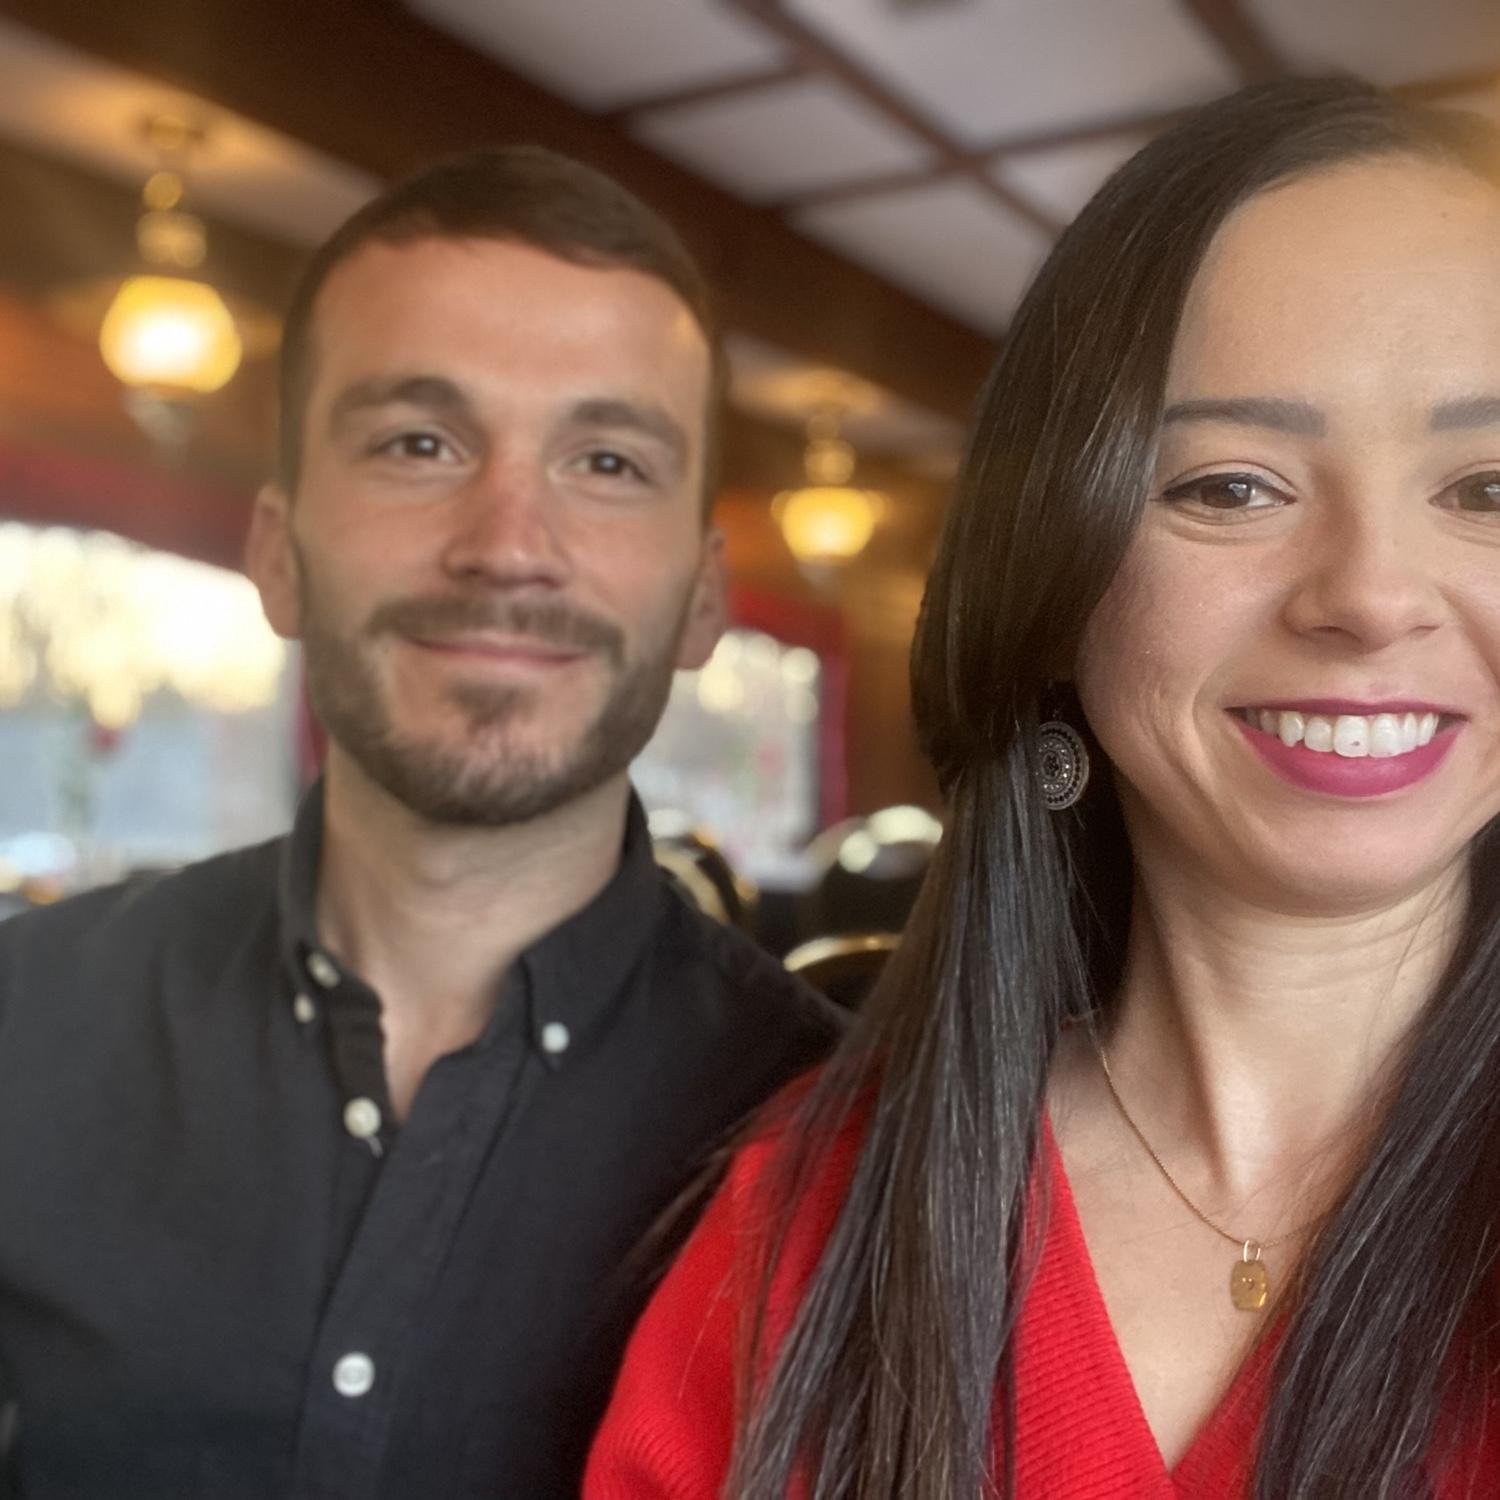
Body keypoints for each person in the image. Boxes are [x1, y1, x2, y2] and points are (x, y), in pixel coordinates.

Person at [584, 76, 1500, 1499]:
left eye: (1489, 490)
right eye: (1231, 486)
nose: (1372, 596)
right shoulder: (805, 1227)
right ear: (1058, 577)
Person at [0, 147, 841, 1499]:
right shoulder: (24, 1018)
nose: (509, 541)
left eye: (609, 460)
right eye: (419, 443)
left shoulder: (837, 1142)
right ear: (278, 551)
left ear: (698, 600)